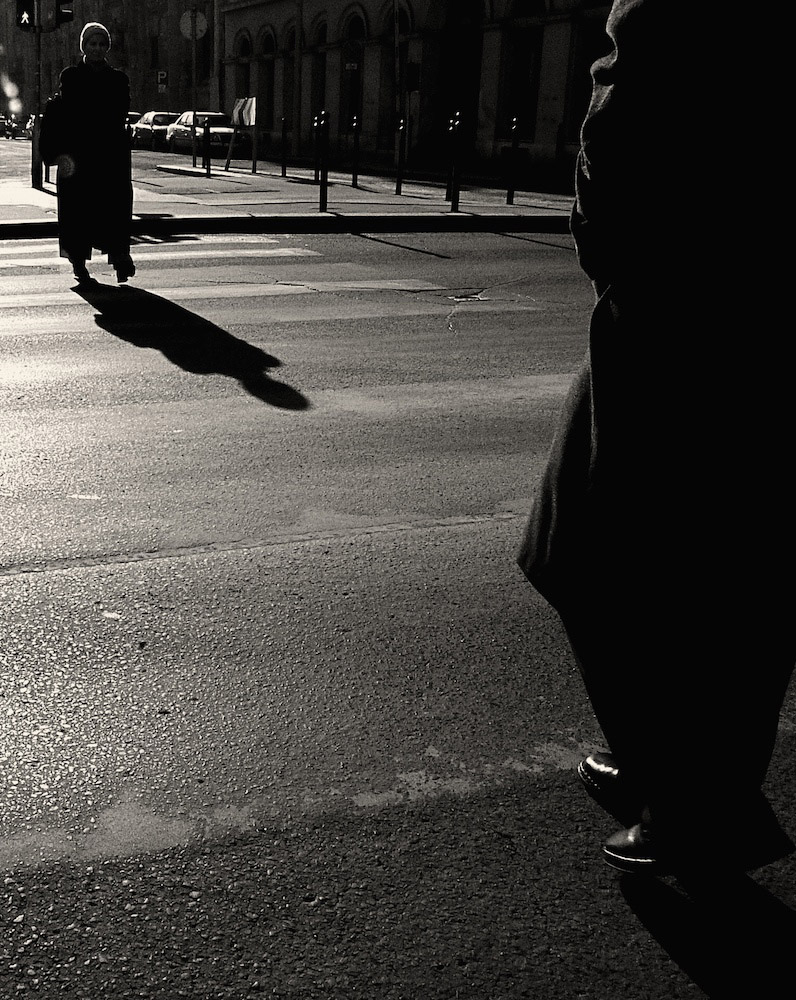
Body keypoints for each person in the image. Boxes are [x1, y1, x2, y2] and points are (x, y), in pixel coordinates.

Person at [518, 0, 794, 875]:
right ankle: (683, 777)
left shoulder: (667, 24)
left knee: (584, 548)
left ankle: (697, 803)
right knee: (745, 563)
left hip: (680, 326)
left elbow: (615, 182)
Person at [47, 22, 135, 285]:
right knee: (78, 212)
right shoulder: (71, 76)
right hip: (79, 156)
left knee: (115, 208)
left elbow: (119, 111)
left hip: (109, 157)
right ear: (84, 47)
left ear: (107, 47)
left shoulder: (118, 78)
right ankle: (78, 262)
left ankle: (120, 257)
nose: (97, 49)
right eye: (92, 44)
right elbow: (71, 113)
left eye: (102, 44)